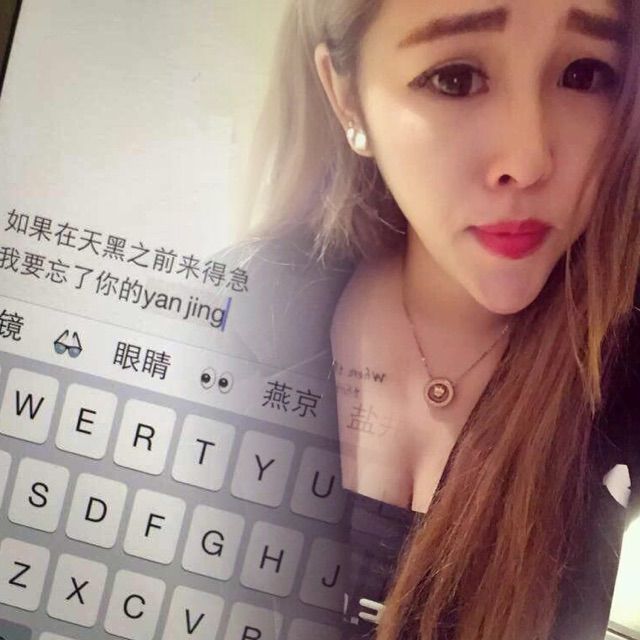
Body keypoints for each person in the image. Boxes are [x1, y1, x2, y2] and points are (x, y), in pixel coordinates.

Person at [228, 0, 640, 638]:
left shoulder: (624, 367)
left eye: (584, 75)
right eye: (455, 78)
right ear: (347, 99)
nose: (529, 159)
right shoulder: (238, 313)